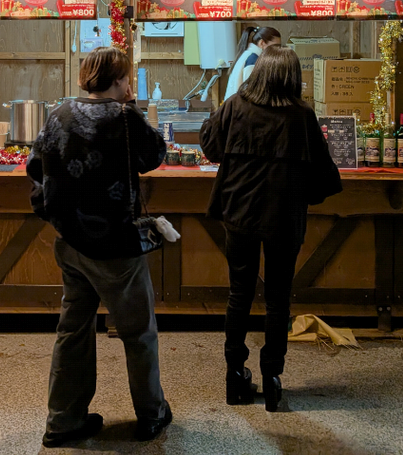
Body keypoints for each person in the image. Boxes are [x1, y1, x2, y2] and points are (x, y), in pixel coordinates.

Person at [27, 46, 172, 447]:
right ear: (119, 80)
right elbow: (154, 155)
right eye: (126, 77)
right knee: (138, 333)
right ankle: (151, 414)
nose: (128, 83)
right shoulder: (125, 117)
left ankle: (63, 421)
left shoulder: (59, 113)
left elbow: (35, 166)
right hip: (116, 246)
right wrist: (133, 107)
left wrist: (53, 214)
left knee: (72, 331)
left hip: (70, 243)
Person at [200, 46, 342, 411]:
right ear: (293, 78)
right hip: (284, 216)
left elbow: (210, 148)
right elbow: (324, 175)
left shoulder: (235, 105)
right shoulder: (302, 115)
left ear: (258, 73)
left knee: (239, 294)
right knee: (279, 298)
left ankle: (235, 376)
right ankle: (272, 378)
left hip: (239, 212)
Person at [223, 26, 282, 100]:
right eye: (275, 46)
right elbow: (252, 92)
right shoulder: (253, 60)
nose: (277, 50)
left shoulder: (248, 54)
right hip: (240, 105)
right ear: (262, 43)